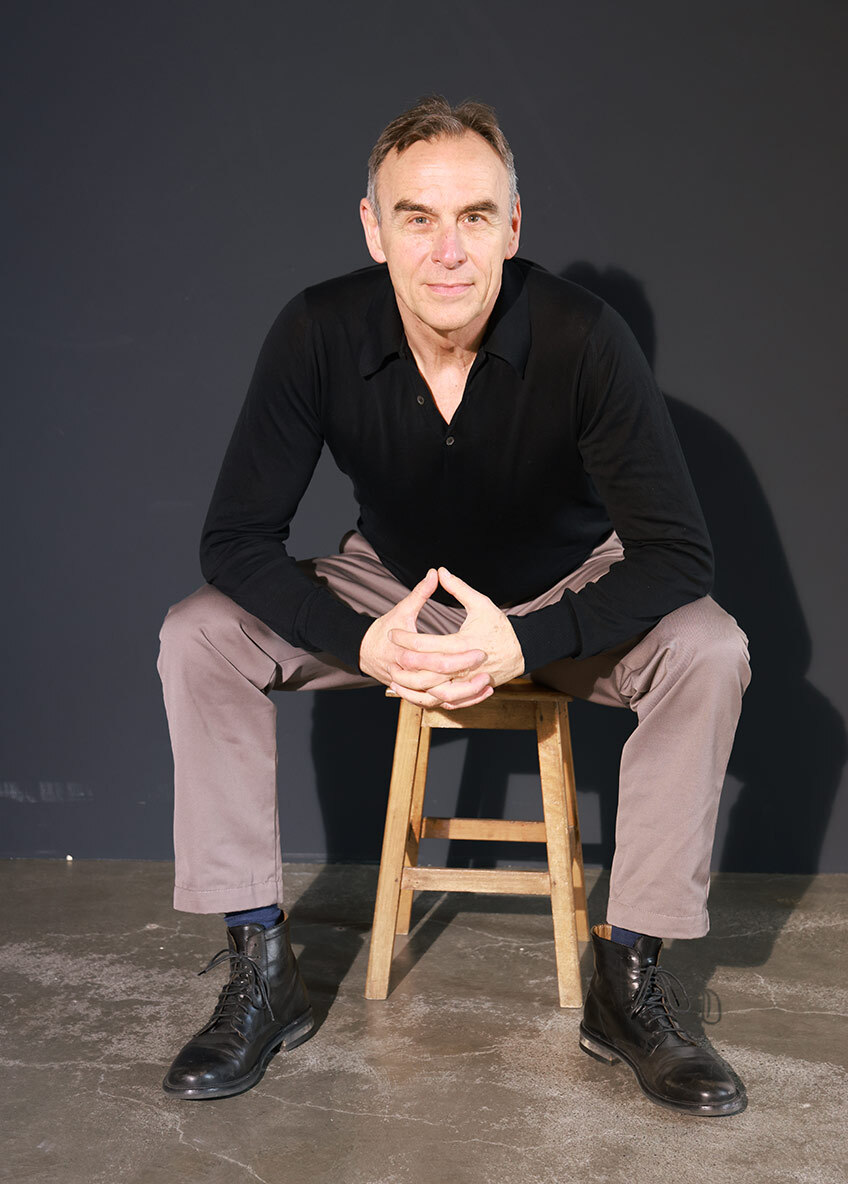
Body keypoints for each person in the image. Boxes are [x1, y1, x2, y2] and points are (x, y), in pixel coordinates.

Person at [157, 95, 751, 1115]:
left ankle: (629, 980)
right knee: (197, 632)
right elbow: (235, 539)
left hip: (561, 595)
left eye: (474, 217)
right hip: (395, 590)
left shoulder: (583, 335)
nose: (446, 251)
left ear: (511, 227)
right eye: (417, 218)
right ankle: (260, 967)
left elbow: (676, 552)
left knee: (711, 648)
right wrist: (362, 640)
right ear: (372, 228)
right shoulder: (317, 329)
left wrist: (526, 639)